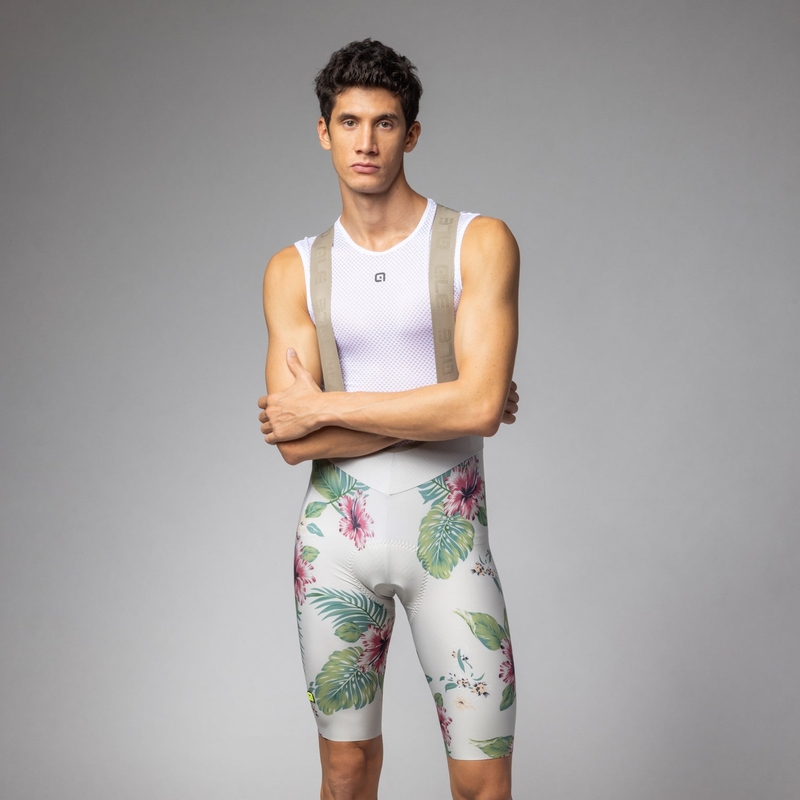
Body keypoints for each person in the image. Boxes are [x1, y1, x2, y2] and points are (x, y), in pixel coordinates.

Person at [258, 39, 520, 800]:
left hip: (451, 545)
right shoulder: (293, 269)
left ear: (411, 132)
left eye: (385, 122)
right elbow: (292, 442)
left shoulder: (478, 241)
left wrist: (324, 407)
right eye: (349, 122)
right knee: (345, 773)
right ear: (324, 132)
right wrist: (453, 404)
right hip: (334, 543)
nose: (366, 142)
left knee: (482, 782)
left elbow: (476, 408)